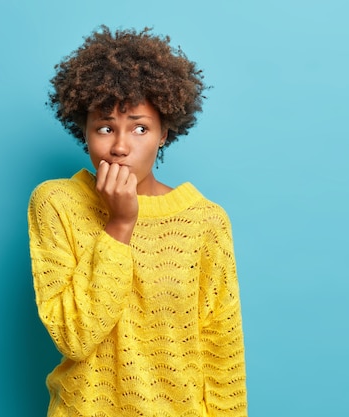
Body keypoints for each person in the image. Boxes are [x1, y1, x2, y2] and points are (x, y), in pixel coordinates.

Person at [28, 26, 247, 416]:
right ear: (85, 131)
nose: (121, 147)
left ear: (165, 132)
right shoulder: (56, 203)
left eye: (140, 127)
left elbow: (222, 354)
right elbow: (74, 337)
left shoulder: (205, 221)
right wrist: (119, 225)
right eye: (105, 127)